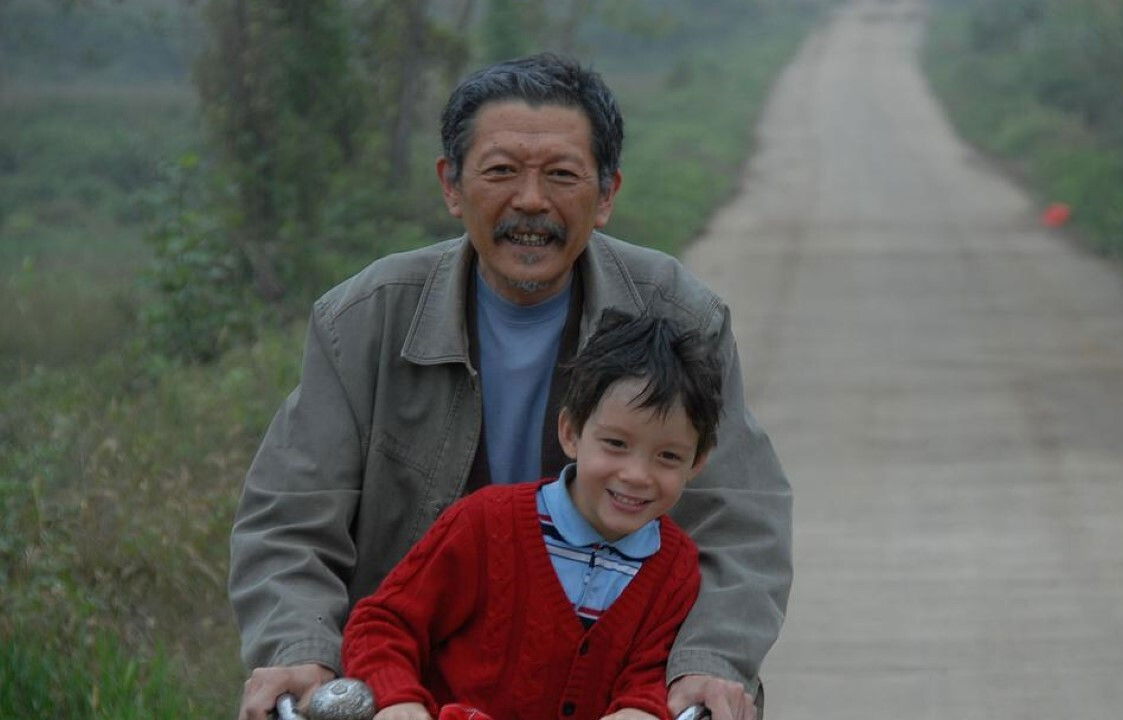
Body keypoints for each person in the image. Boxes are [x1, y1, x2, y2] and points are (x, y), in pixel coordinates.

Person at [230, 53, 791, 720]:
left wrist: (709, 662)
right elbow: (290, 519)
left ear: (606, 194)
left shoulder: (678, 315)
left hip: (620, 696)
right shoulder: (363, 320)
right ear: (452, 185)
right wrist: (299, 647)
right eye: (500, 171)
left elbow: (741, 521)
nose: (530, 200)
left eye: (562, 175)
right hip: (401, 694)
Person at [342, 312, 721, 720]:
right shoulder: (484, 524)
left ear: (697, 462)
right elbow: (384, 624)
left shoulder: (675, 569)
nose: (636, 475)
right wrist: (397, 699)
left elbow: (652, 671)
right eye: (615, 444)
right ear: (570, 433)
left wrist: (640, 707)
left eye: (668, 456)